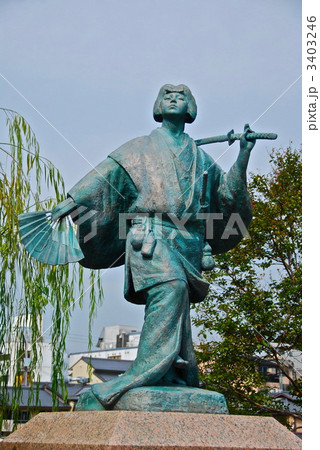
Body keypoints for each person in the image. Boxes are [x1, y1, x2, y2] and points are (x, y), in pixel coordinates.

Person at [20, 84, 255, 410]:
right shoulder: (140, 148)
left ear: (191, 107)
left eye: (182, 95)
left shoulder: (200, 157)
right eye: (168, 95)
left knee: (178, 305)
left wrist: (242, 154)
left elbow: (227, 196)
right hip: (149, 237)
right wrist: (70, 203)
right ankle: (139, 377)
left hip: (188, 242)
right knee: (170, 289)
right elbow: (106, 176)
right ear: (159, 105)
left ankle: (171, 376)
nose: (175, 98)